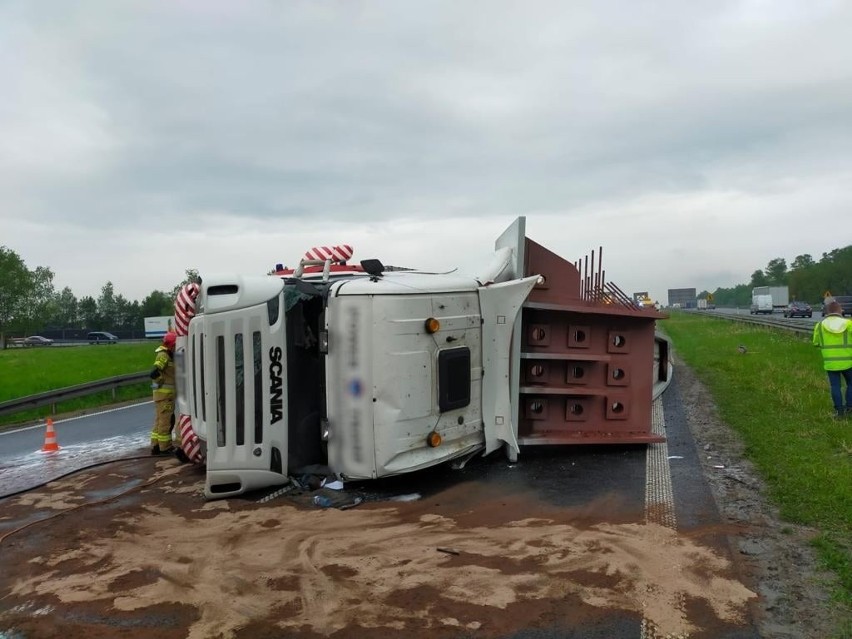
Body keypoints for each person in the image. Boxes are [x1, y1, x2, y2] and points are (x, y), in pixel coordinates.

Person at [812, 300, 852, 419]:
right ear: (840, 310)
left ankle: (839, 412)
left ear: (827, 312)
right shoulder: (849, 324)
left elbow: (816, 343)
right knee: (851, 383)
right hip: (849, 361)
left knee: (835, 386)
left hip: (831, 362)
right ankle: (849, 407)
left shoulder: (819, 326)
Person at [150, 331, 177, 454]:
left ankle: (155, 446)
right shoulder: (164, 355)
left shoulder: (165, 354)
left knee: (159, 421)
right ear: (171, 345)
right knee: (166, 422)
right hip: (165, 395)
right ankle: (165, 448)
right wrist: (161, 381)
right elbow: (154, 372)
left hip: (161, 395)